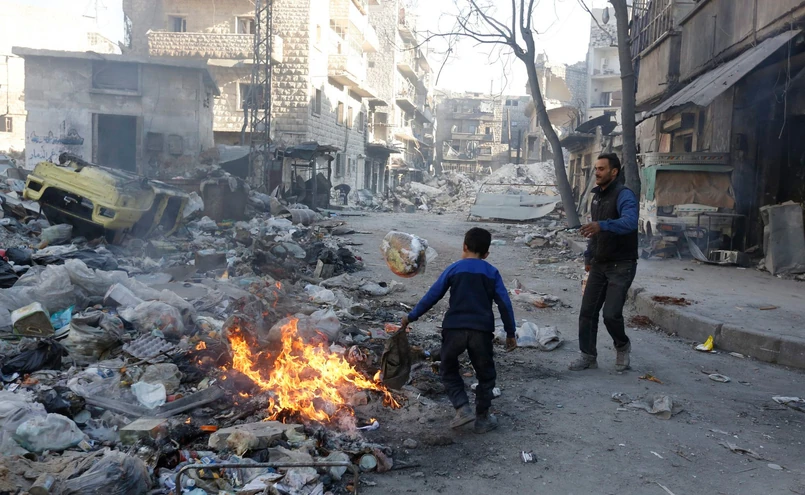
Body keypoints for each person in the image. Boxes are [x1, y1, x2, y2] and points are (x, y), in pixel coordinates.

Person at [401, 228, 516, 433]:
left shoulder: (454, 269)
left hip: (454, 329)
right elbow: (504, 304)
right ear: (486, 254)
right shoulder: (491, 272)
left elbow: (432, 295)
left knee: (448, 368)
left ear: (464, 246)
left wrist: (411, 316)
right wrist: (510, 333)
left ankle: (462, 408)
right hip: (481, 331)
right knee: (486, 375)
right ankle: (482, 419)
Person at [570, 153, 639, 372]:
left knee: (611, 314)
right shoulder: (597, 197)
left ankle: (622, 345)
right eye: (596, 169)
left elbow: (630, 222)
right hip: (599, 263)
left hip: (622, 264)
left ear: (614, 171)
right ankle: (588, 356)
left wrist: (603, 225)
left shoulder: (624, 195)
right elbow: (594, 231)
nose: (597, 173)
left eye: (601, 169)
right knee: (587, 312)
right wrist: (589, 256)